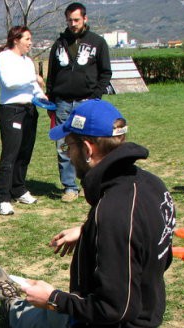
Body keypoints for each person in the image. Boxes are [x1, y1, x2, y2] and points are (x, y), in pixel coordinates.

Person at [0, 100, 176, 328]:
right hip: (116, 316)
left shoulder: (115, 212)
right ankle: (15, 306)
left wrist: (56, 298)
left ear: (88, 148)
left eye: (68, 144)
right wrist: (88, 230)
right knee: (27, 318)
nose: (66, 152)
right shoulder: (149, 185)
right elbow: (156, 252)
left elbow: (116, 309)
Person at [46, 2, 112, 203]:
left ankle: (89, 183)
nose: (73, 24)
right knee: (64, 146)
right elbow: (52, 75)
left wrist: (96, 96)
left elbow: (105, 72)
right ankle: (69, 187)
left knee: (89, 146)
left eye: (76, 19)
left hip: (86, 103)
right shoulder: (59, 44)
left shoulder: (97, 42)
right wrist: (51, 98)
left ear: (85, 19)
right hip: (63, 104)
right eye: (69, 20)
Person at [0, 26, 47, 216]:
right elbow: (9, 82)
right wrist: (33, 77)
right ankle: (3, 199)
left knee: (25, 153)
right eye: (27, 39)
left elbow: (33, 87)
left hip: (29, 110)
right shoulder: (4, 58)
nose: (30, 43)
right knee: (10, 155)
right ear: (16, 40)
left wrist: (43, 97)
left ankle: (19, 189)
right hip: (11, 110)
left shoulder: (28, 61)